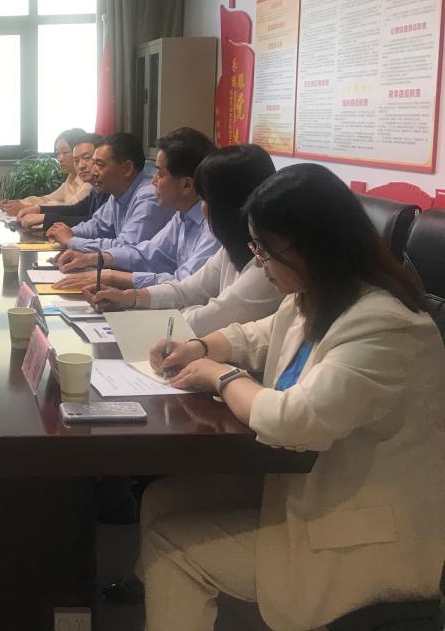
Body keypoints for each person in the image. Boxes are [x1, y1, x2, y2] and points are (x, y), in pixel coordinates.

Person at [139, 164, 445, 631]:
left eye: (265, 251)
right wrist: (199, 347)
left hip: (366, 533)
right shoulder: (318, 295)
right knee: (162, 499)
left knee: (173, 546)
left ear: (314, 247)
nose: (259, 264)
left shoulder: (388, 325)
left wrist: (221, 377)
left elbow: (295, 419)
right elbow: (257, 335)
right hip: (310, 487)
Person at [83, 144, 284, 336]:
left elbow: (209, 319)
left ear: (228, 206)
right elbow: (186, 290)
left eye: (204, 199)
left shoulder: (268, 265)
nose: (202, 207)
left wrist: (137, 308)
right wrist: (128, 298)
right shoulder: (230, 248)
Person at [54, 127, 218, 291]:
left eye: (160, 175)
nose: (154, 181)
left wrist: (112, 277)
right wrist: (96, 258)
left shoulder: (215, 226)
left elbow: (186, 284)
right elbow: (147, 253)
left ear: (186, 185)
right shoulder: (182, 215)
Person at [46, 132, 171, 255]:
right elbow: (97, 226)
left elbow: (126, 248)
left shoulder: (149, 197)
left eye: (100, 165)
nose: (94, 172)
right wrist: (69, 232)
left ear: (127, 169)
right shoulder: (117, 193)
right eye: (94, 163)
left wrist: (71, 241)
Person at [18, 134, 102, 230]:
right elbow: (76, 209)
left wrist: (45, 217)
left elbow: (96, 224)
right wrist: (39, 209)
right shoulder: (95, 190)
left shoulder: (107, 190)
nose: (81, 165)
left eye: (87, 158)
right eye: (76, 160)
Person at [0, 128, 91, 215]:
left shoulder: (88, 181)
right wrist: (18, 202)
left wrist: (25, 207)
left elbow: (70, 208)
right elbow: (47, 199)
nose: (60, 158)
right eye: (57, 153)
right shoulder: (71, 177)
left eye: (65, 152)